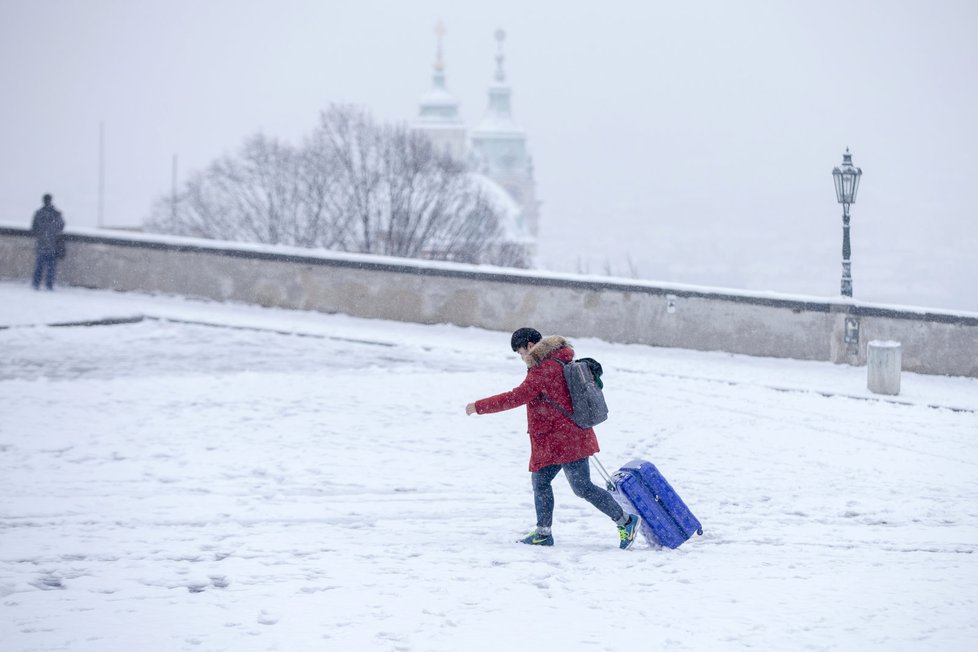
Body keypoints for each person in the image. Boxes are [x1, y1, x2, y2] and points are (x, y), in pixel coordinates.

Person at [466, 327, 640, 549]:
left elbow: (516, 397)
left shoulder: (543, 369)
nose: (520, 357)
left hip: (567, 440)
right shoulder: (557, 359)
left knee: (582, 487)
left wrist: (479, 407)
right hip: (558, 440)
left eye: (520, 352)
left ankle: (625, 521)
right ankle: (543, 533)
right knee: (541, 481)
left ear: (529, 346)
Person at [31, 194, 65, 290]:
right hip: (51, 245)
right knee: (50, 268)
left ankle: (37, 284)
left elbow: (34, 228)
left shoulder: (39, 213)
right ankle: (48, 285)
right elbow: (61, 226)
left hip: (43, 245)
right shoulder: (56, 214)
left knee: (40, 267)